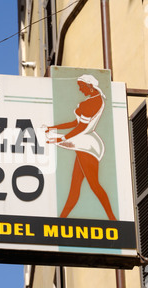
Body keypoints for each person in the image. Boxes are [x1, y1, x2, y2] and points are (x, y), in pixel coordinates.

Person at [45, 75, 116, 220]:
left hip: (86, 144)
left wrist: (62, 138)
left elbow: (81, 128)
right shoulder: (95, 100)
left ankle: (112, 218)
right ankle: (62, 218)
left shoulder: (91, 103)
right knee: (75, 185)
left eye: (81, 86)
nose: (79, 89)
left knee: (93, 184)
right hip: (84, 142)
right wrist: (52, 127)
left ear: (90, 86)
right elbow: (74, 123)